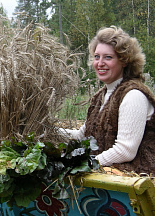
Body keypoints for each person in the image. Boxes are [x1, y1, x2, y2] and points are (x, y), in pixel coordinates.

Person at [59, 26, 155, 175]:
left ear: (124, 61)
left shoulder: (133, 95)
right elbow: (82, 135)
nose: (100, 63)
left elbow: (125, 150)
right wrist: (47, 131)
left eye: (108, 57)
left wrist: (86, 164)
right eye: (97, 57)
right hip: (109, 175)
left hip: (137, 181)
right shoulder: (101, 96)